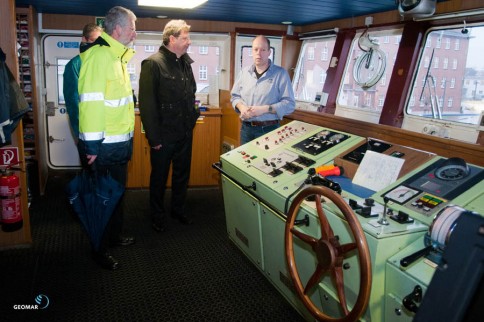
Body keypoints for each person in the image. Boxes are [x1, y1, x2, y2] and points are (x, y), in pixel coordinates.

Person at [77, 6, 137, 270]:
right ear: (118, 29)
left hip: (120, 144)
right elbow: (90, 104)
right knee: (101, 201)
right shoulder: (99, 57)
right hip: (101, 148)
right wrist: (90, 146)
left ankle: (114, 236)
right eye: (133, 26)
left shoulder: (118, 58)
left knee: (117, 195)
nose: (135, 32)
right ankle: (98, 250)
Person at [138, 20, 200, 233]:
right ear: (172, 39)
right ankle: (157, 215)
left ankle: (178, 209)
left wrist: (194, 115)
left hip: (184, 131)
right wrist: (153, 139)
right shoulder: (152, 64)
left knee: (182, 174)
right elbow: (147, 106)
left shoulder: (185, 63)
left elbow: (192, 94)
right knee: (159, 177)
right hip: (163, 136)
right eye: (185, 38)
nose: (189, 42)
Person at [230, 35, 296, 144]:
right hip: (246, 130)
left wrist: (265, 109)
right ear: (252, 51)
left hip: (269, 130)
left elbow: (289, 104)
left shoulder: (281, 74)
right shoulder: (243, 73)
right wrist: (241, 107)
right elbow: (235, 97)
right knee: (245, 161)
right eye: (255, 49)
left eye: (263, 50)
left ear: (269, 52)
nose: (258, 53)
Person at [63, 23, 102, 148]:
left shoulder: (103, 63)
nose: (96, 45)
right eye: (93, 41)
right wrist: (80, 134)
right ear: (84, 39)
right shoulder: (74, 65)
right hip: (86, 130)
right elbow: (73, 103)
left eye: (99, 42)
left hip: (104, 129)